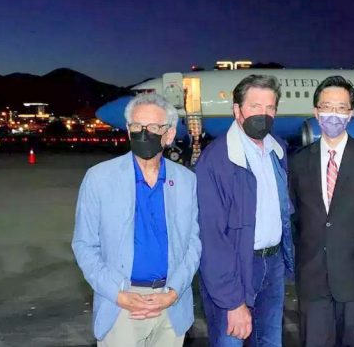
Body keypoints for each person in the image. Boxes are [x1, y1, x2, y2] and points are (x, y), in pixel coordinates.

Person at [72, 93, 201, 346]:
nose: (144, 134)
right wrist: (118, 294)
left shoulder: (186, 180)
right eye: (136, 127)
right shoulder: (99, 178)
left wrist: (173, 292)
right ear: (128, 130)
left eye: (153, 127)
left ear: (169, 135)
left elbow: (193, 244)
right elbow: (84, 245)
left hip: (170, 307)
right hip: (121, 307)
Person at [289, 75, 354, 347]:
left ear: (351, 114)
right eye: (327, 106)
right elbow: (295, 222)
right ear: (316, 112)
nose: (333, 114)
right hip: (312, 282)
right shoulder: (298, 162)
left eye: (341, 108)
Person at [196, 74, 295, 346]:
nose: (263, 114)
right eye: (255, 106)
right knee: (230, 340)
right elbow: (211, 238)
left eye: (270, 107)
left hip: (272, 264)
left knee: (270, 341)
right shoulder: (216, 160)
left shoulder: (277, 150)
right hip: (235, 268)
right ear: (237, 110)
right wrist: (232, 301)